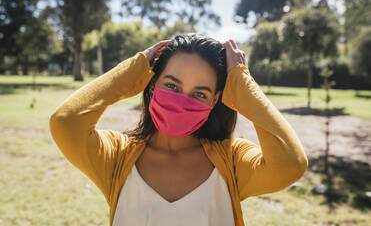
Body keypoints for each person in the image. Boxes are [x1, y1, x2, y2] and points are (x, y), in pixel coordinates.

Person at [49, 33, 308, 226]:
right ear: (151, 86)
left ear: (216, 99)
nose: (183, 100)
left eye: (199, 93)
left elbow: (290, 164)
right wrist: (134, 70)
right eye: (172, 86)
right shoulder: (118, 157)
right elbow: (65, 122)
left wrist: (243, 85)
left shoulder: (232, 160)